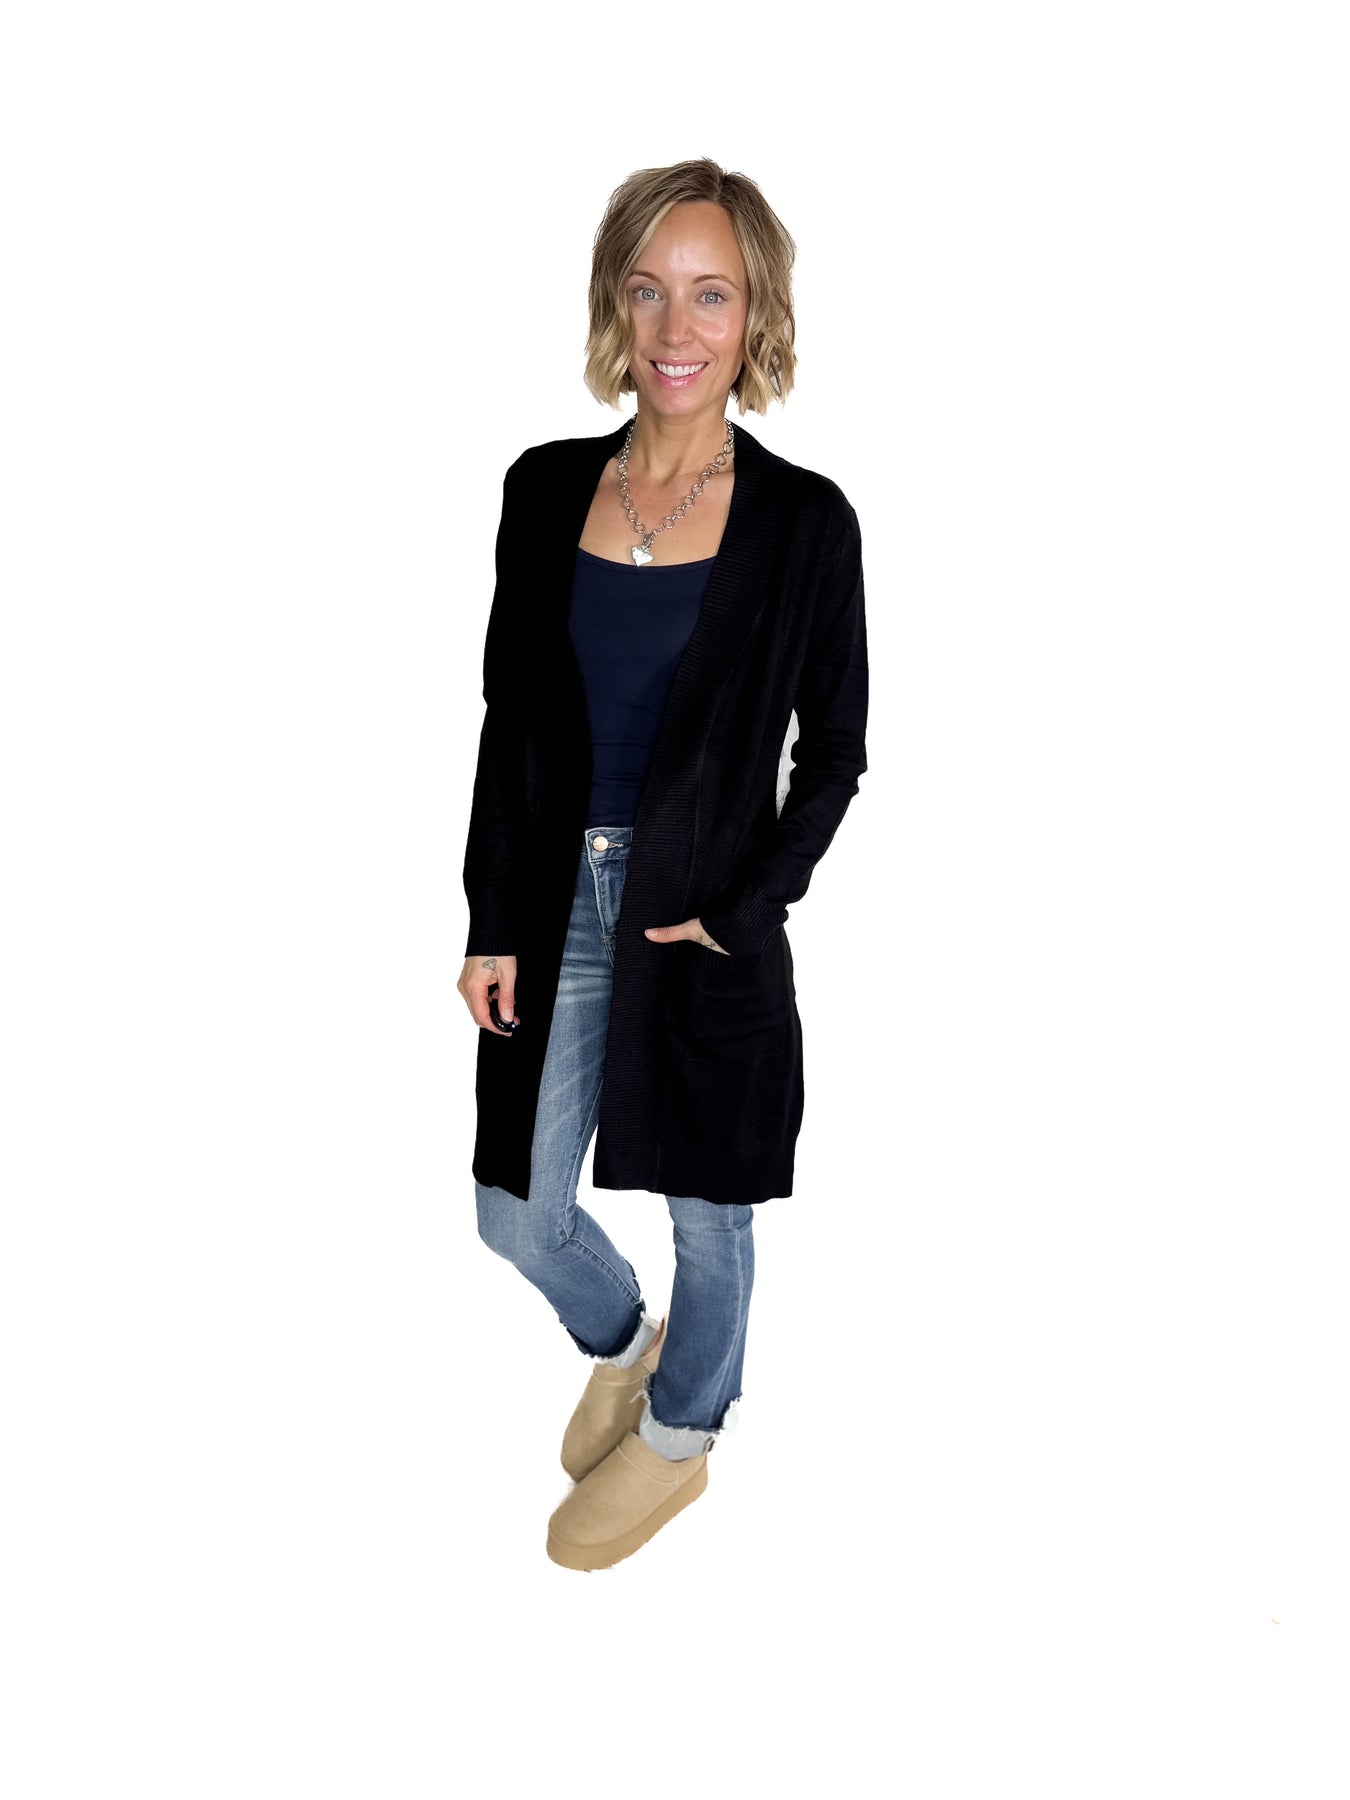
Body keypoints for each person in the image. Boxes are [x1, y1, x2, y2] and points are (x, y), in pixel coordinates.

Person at [458, 157, 869, 1572]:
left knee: (711, 1205)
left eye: (710, 294)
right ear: (613, 305)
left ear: (755, 315)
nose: (674, 327)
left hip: (702, 907)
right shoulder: (541, 490)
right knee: (515, 1211)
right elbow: (509, 722)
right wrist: (491, 917)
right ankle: (627, 1345)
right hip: (554, 895)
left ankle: (683, 1434)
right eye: (647, 290)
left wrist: (746, 908)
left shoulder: (805, 524)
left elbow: (835, 753)